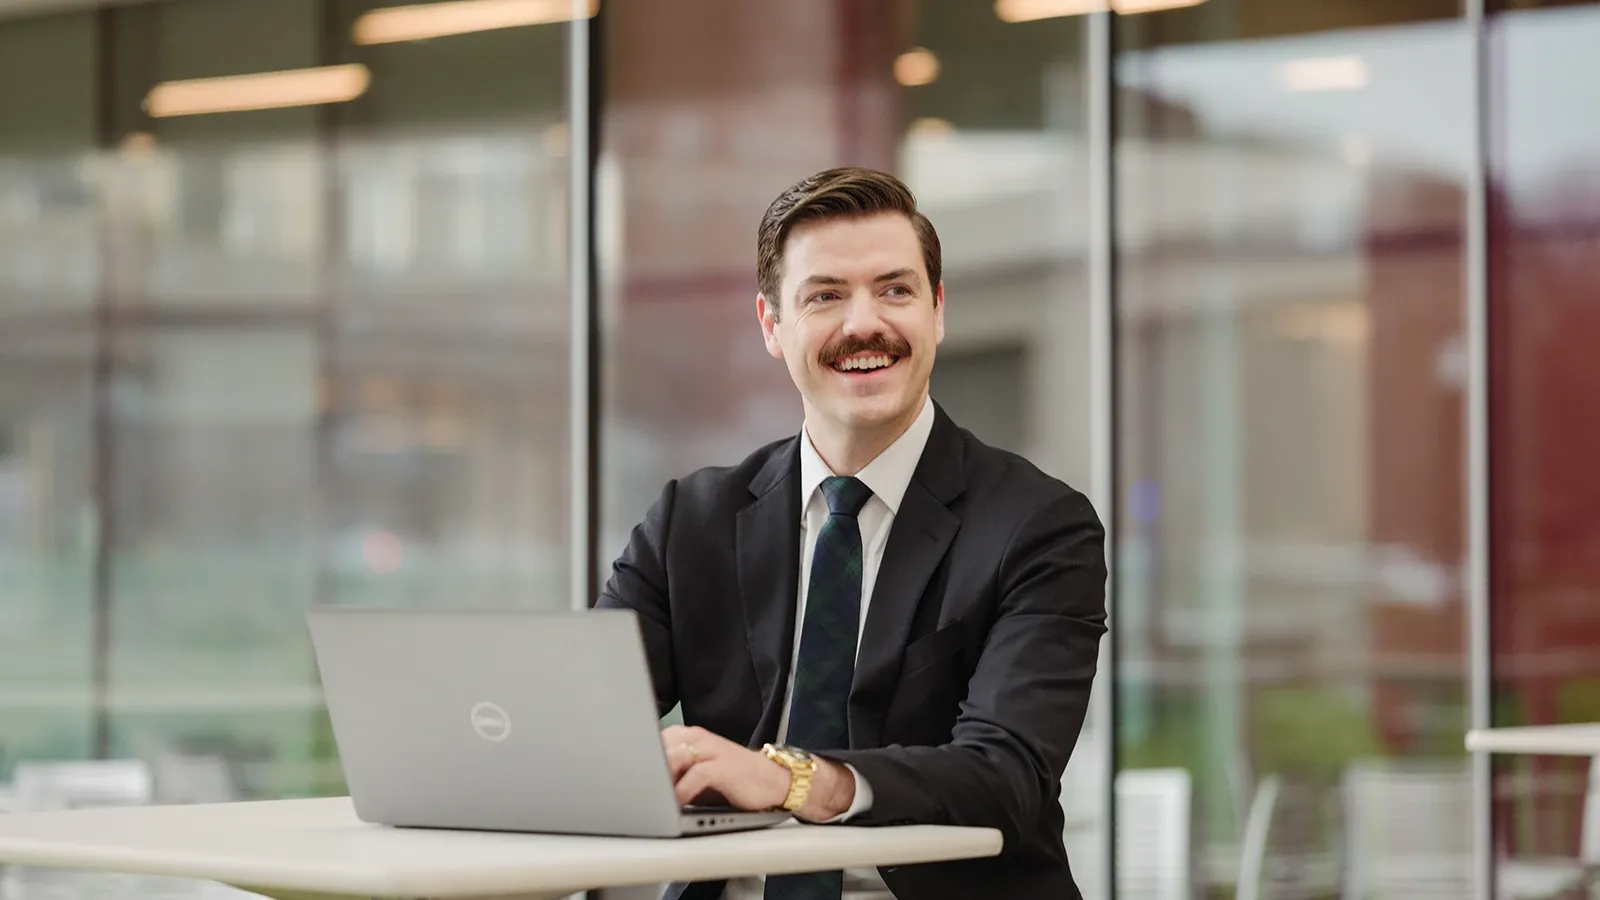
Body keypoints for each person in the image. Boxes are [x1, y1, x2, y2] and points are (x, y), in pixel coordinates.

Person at [597, 166, 1108, 900]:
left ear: (937, 311)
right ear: (773, 326)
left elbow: (1008, 774)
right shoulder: (690, 521)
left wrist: (793, 780)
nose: (864, 322)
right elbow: (589, 732)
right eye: (825, 295)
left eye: (895, 290)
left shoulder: (1039, 527)